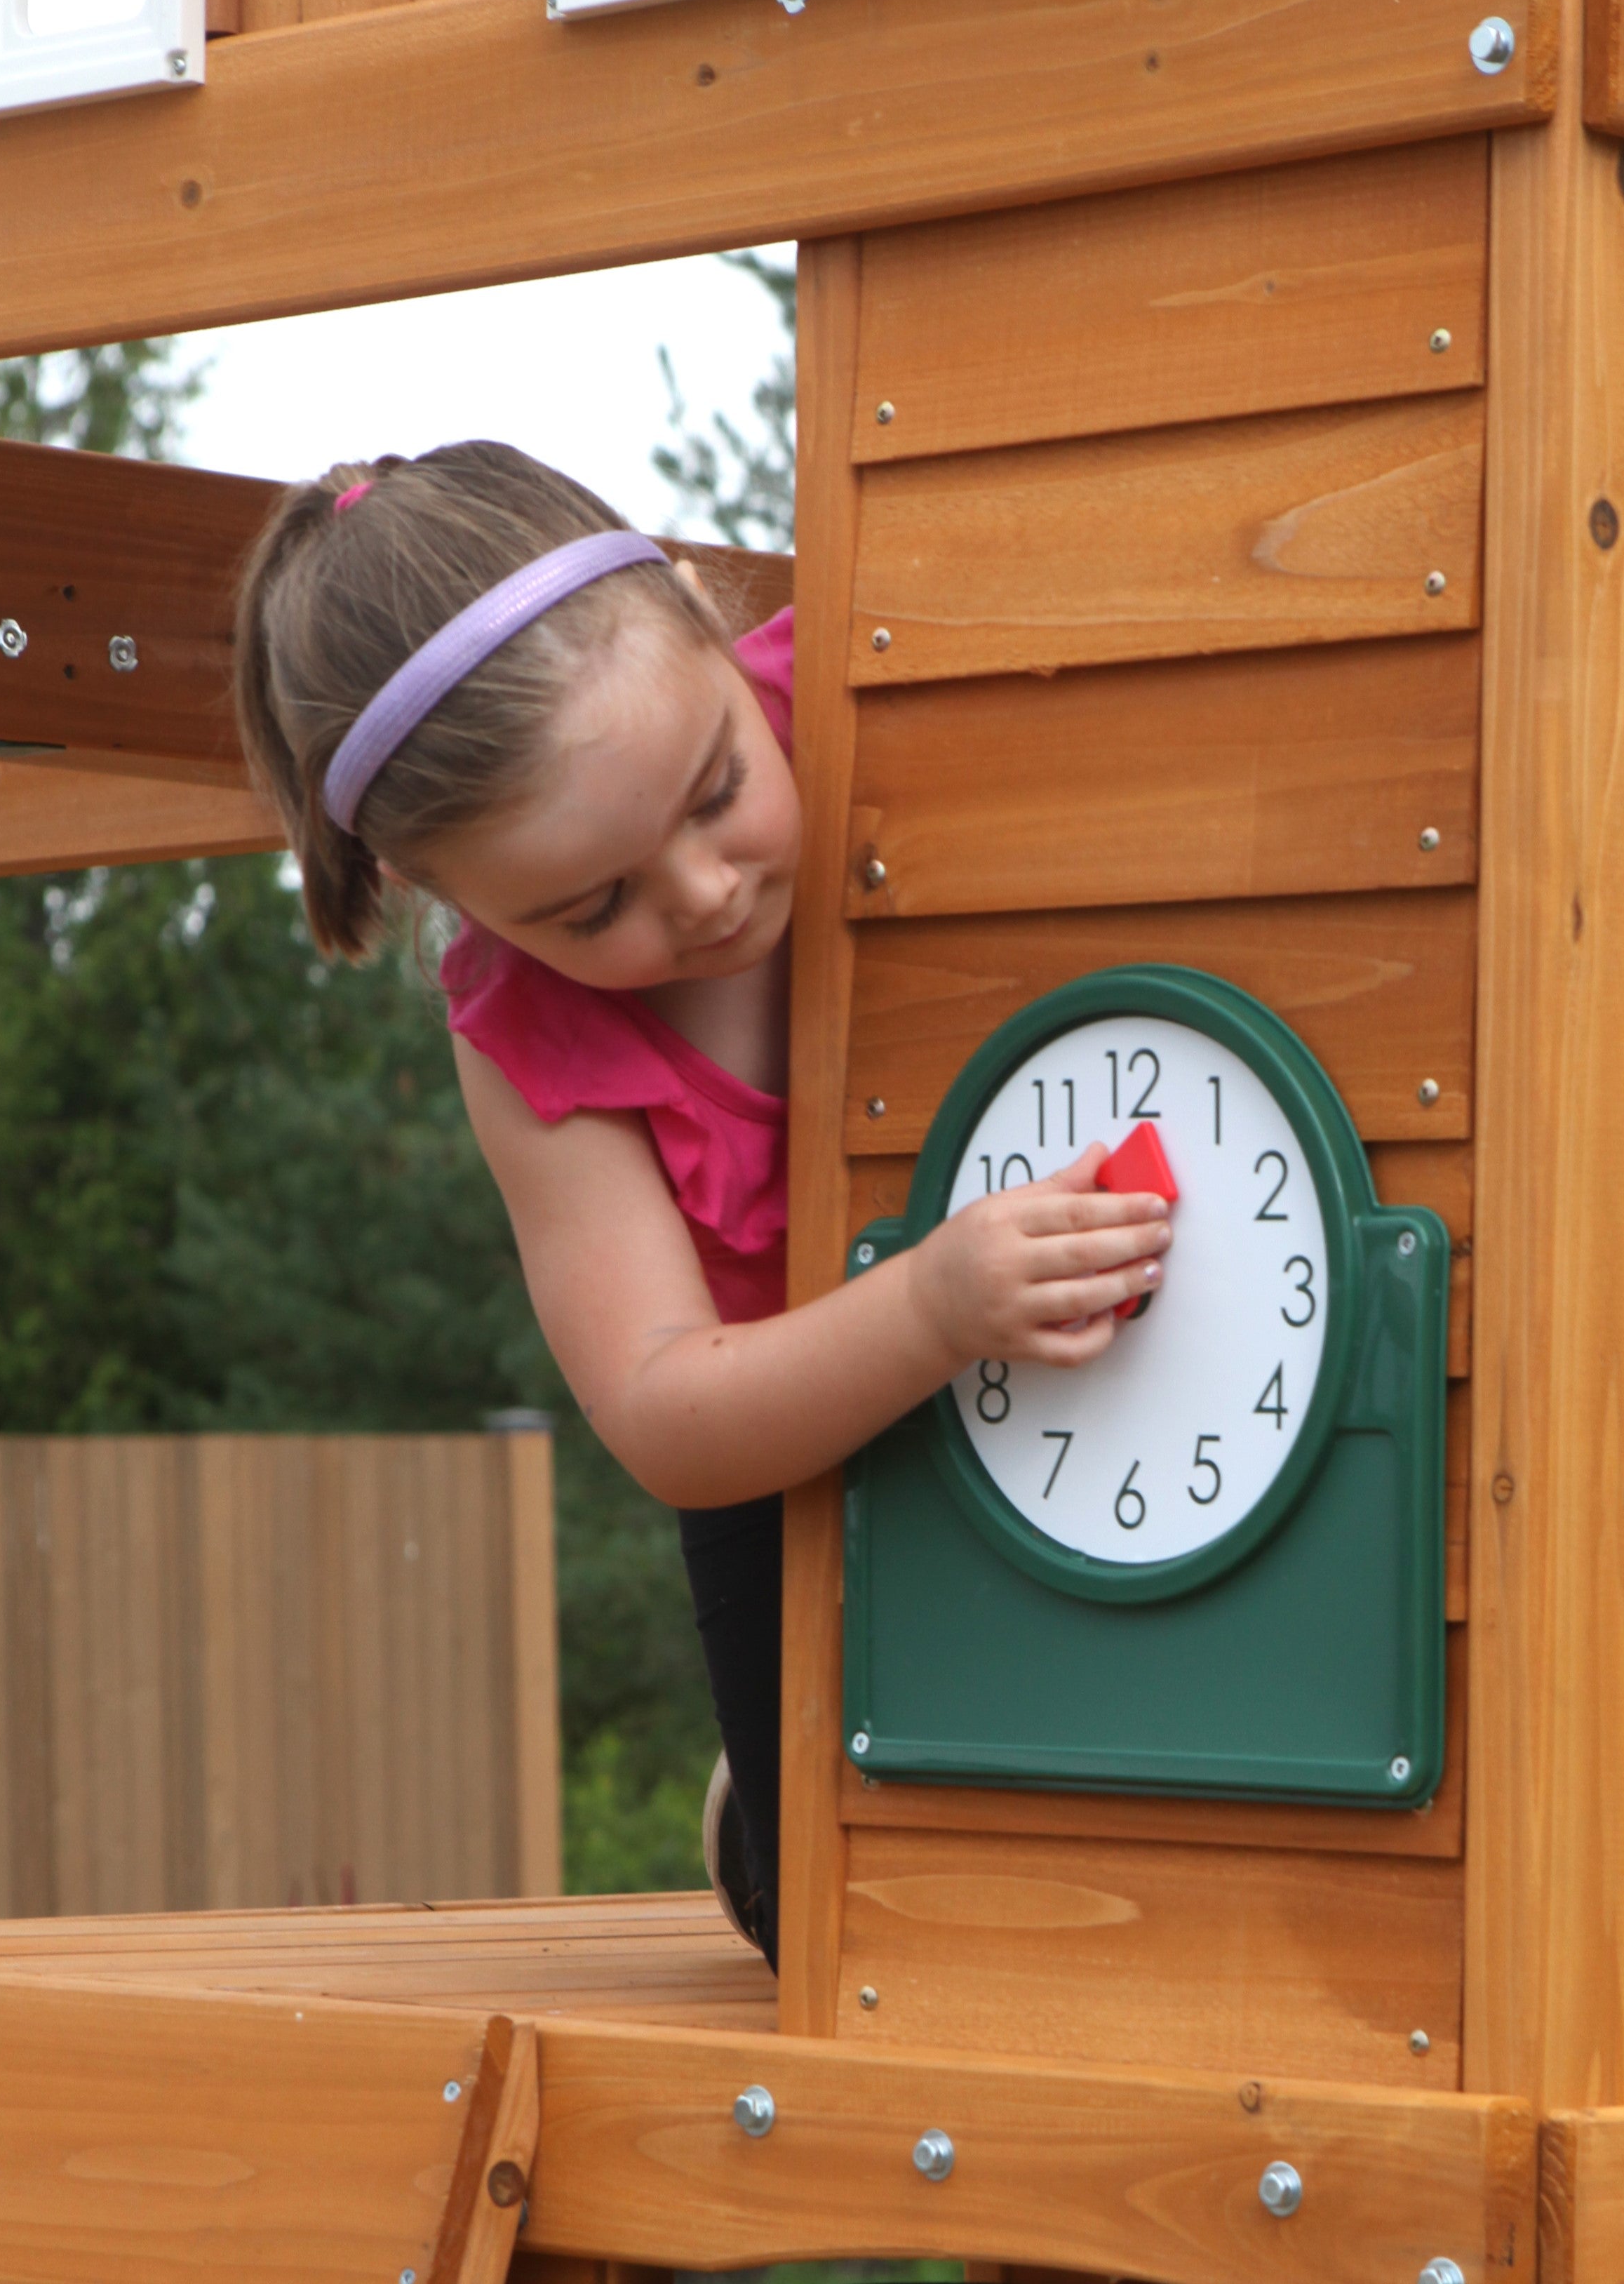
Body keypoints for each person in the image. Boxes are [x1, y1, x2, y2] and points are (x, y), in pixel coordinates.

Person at [231, 442, 1174, 1966]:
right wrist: (935, 1306)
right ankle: (746, 1811)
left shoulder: (875, 694)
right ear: (434, 888)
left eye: (719, 790)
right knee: (838, 1922)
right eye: (593, 905)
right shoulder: (526, 1040)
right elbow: (666, 1408)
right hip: (795, 1469)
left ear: (700, 611)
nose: (706, 893)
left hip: (1079, 1351)